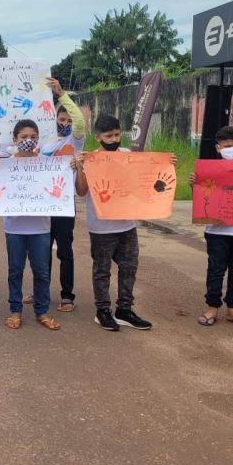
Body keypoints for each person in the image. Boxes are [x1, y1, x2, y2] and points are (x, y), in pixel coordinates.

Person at [75, 114, 161, 332]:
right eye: (108, 136)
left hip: (127, 225)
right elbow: (81, 191)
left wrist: (165, 166)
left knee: (129, 267)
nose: (114, 139)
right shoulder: (90, 159)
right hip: (101, 227)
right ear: (98, 137)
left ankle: (124, 309)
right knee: (102, 270)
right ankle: (102, 310)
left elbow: (143, 179)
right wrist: (79, 168)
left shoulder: (127, 155)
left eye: (116, 134)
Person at [0, 120, 61, 331]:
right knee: (15, 271)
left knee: (42, 272)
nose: (28, 140)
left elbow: (60, 183)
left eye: (33, 137)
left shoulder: (47, 164)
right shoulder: (4, 166)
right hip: (14, 227)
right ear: (14, 140)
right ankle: (15, 310)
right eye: (23, 137)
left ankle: (42, 311)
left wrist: (71, 168)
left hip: (40, 227)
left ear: (38, 139)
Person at [189, 126, 233, 328]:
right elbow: (203, 199)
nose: (232, 149)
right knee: (216, 269)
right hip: (216, 230)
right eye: (227, 146)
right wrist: (195, 186)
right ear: (218, 147)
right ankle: (212, 307)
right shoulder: (210, 170)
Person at [39, 77, 87, 312]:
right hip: (42, 205)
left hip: (65, 206)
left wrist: (61, 95)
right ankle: (41, 292)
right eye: (62, 119)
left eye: (69, 120)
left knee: (65, 253)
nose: (66, 123)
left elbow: (79, 120)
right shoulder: (43, 142)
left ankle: (67, 295)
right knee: (42, 252)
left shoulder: (75, 141)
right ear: (55, 120)